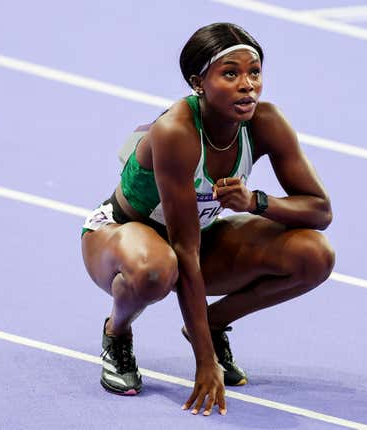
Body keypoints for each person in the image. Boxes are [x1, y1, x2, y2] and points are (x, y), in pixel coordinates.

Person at [80, 22, 335, 416]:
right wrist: (204, 363)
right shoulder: (176, 132)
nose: (247, 84)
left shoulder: (266, 123)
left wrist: (255, 201)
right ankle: (117, 333)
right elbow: (183, 249)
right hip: (120, 237)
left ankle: (214, 325)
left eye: (254, 72)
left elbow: (320, 210)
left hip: (197, 237)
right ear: (199, 83)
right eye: (230, 74)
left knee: (314, 254)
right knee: (155, 269)